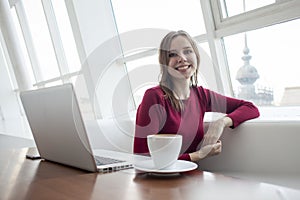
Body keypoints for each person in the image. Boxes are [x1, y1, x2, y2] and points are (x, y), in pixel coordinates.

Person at [133, 30, 260, 162]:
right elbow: (143, 157)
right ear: (165, 63)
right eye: (172, 54)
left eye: (187, 51)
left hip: (192, 176)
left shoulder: (201, 95)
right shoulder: (154, 97)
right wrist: (198, 155)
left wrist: (221, 122)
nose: (182, 58)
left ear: (196, 56)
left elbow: (250, 108)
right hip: (157, 180)